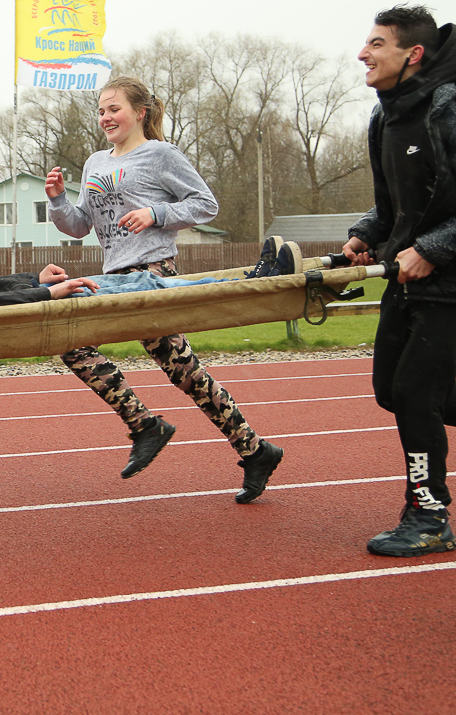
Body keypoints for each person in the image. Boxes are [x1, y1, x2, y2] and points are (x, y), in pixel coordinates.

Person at [44, 76, 285, 503]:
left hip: (153, 272)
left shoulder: (160, 155)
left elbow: (205, 204)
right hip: (116, 276)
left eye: (114, 109)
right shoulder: (95, 162)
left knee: (84, 342)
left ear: (140, 112)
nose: (105, 117)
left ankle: (153, 428)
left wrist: (155, 214)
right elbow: (80, 227)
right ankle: (246, 448)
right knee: (176, 369)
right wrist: (59, 200)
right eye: (100, 110)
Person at [342, 6, 456, 557]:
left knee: (416, 393)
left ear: (412, 54)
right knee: (391, 392)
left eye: (376, 44)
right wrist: (366, 233)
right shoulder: (386, 117)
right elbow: (399, 202)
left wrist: (433, 250)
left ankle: (430, 515)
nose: (363, 54)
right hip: (409, 272)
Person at [0, 249, 298, 320]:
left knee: (141, 279)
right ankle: (263, 284)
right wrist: (44, 293)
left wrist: (33, 279)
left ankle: (251, 278)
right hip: (39, 312)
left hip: (37, 298)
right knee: (146, 289)